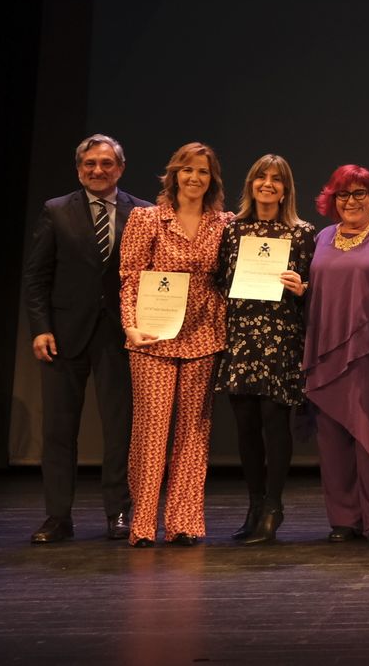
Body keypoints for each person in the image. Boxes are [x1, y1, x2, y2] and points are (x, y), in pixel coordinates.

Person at [22, 134, 151, 543]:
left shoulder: (144, 213)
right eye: (90, 164)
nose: (98, 170)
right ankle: (58, 517)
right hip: (63, 336)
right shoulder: (56, 211)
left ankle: (118, 514)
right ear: (79, 169)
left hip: (120, 335)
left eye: (106, 163)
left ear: (120, 168)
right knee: (60, 431)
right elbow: (37, 275)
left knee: (120, 430)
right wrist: (40, 327)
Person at [119, 141, 232, 547]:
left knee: (193, 432)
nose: (194, 177)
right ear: (174, 175)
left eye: (203, 171)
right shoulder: (146, 219)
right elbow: (131, 276)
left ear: (212, 178)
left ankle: (183, 522)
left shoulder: (224, 223)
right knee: (151, 431)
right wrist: (130, 326)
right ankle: (144, 523)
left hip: (204, 334)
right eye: (187, 170)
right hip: (153, 335)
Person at [303, 164, 369, 543]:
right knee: (332, 440)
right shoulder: (322, 239)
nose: (351, 202)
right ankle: (344, 519)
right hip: (326, 350)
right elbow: (318, 290)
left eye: (359, 194)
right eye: (343, 195)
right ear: (333, 199)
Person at [214, 154, 316, 544]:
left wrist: (301, 288)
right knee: (246, 428)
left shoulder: (302, 232)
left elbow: (312, 291)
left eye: (276, 179)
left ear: (286, 188)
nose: (268, 184)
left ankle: (274, 506)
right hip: (241, 337)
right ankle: (254, 504)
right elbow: (221, 280)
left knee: (275, 424)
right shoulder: (233, 229)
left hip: (281, 337)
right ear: (251, 184)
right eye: (261, 177)